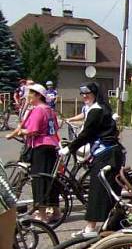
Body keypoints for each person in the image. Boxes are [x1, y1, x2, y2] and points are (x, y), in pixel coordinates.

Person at [60, 83, 123, 238]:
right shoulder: (101, 108)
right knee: (108, 190)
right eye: (82, 94)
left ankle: (91, 228)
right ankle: (111, 225)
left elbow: (86, 134)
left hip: (107, 154)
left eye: (87, 93)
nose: (84, 96)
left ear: (95, 93)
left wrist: (70, 148)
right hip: (109, 153)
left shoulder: (96, 110)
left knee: (98, 190)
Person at [7, 83, 60, 222]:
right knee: (50, 179)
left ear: (38, 95)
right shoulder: (49, 109)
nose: (28, 96)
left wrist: (19, 132)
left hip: (41, 147)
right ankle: (55, 211)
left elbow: (33, 130)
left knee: (39, 180)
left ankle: (42, 215)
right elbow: (55, 127)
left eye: (30, 94)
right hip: (52, 145)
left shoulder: (38, 110)